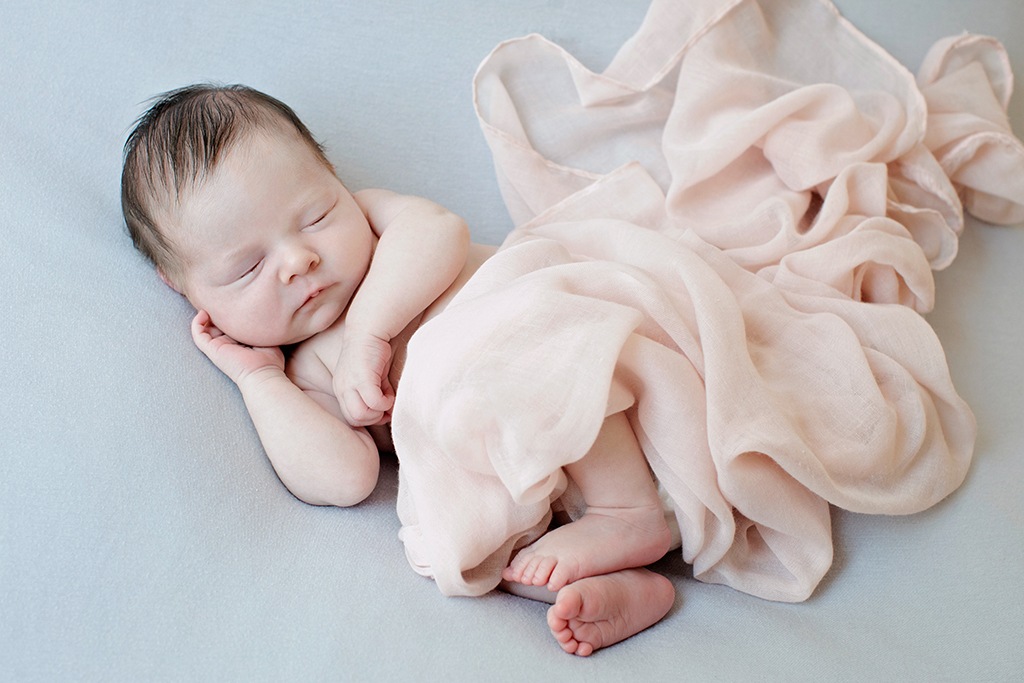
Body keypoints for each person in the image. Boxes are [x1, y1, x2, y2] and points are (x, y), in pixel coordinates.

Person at [121, 83, 675, 656]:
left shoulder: (379, 223)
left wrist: (369, 333)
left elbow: (441, 230)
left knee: (544, 352)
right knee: (456, 542)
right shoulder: (305, 372)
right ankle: (617, 585)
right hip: (539, 491)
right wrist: (258, 380)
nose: (297, 260)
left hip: (596, 389)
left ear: (333, 178)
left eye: (315, 215)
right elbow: (344, 478)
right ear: (187, 292)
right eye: (247, 268)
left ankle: (627, 509)